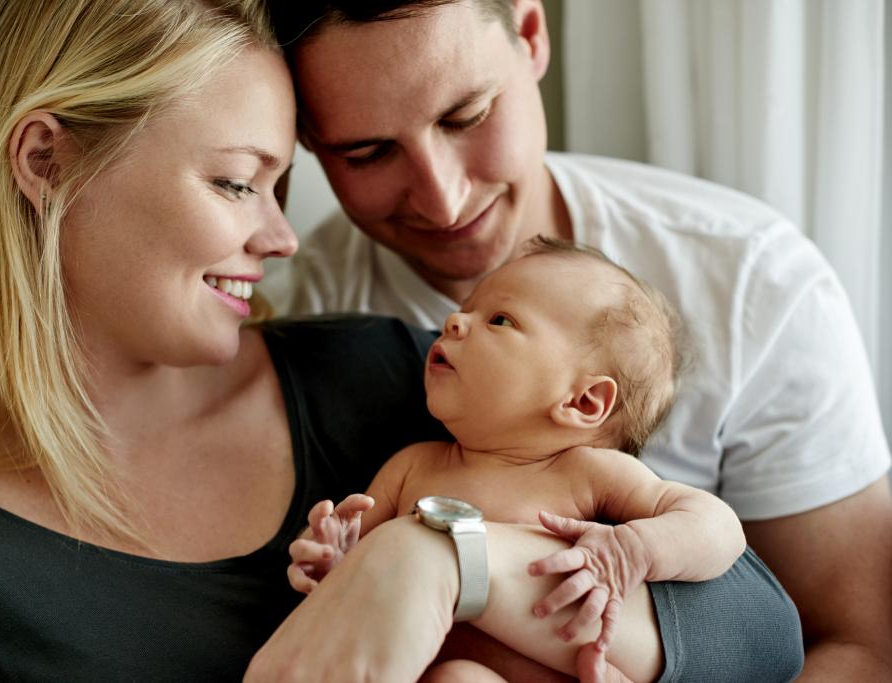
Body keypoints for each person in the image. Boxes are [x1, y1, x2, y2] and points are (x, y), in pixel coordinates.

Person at [0, 1, 801, 681]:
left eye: (283, 188)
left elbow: (759, 634)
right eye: (238, 184)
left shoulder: (388, 374)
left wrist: (437, 560)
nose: (280, 239)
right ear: (46, 162)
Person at [259, 1, 892, 679]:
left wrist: (628, 554)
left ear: (532, 34)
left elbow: (860, 643)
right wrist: (334, 555)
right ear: (308, 141)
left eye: (466, 115)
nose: (443, 200)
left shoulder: (751, 281)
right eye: (367, 152)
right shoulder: (301, 325)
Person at [288, 237, 785, 682]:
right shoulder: (413, 466)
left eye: (500, 319)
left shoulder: (585, 474)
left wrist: (632, 550)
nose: (454, 321)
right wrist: (333, 559)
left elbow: (719, 528)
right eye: (465, 309)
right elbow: (369, 579)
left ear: (582, 402)